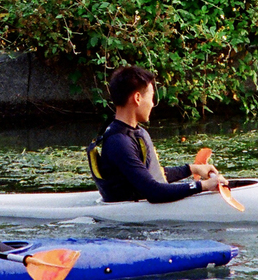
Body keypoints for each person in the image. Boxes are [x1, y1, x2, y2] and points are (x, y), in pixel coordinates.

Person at [88, 66, 222, 203]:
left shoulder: (132, 133)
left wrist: (192, 169)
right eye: (151, 97)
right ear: (137, 98)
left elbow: (151, 175)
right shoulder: (119, 142)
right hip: (129, 216)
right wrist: (203, 185)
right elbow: (154, 192)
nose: (152, 104)